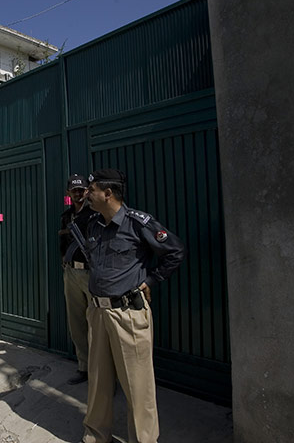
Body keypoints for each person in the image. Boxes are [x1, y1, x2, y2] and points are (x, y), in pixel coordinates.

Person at [81, 169, 185, 443]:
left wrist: (152, 279)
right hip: (98, 312)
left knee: (138, 388)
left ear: (108, 193)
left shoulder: (137, 223)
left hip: (128, 314)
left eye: (92, 189)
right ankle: (95, 435)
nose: (87, 194)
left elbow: (174, 251)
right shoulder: (93, 224)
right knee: (98, 383)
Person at [59, 173, 96, 385]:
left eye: (81, 190)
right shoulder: (66, 216)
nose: (78, 194)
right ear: (69, 193)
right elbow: (63, 243)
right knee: (77, 323)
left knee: (97, 325)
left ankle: (102, 373)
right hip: (71, 273)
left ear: (87, 191)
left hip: (91, 273)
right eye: (74, 190)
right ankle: (84, 367)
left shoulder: (94, 214)